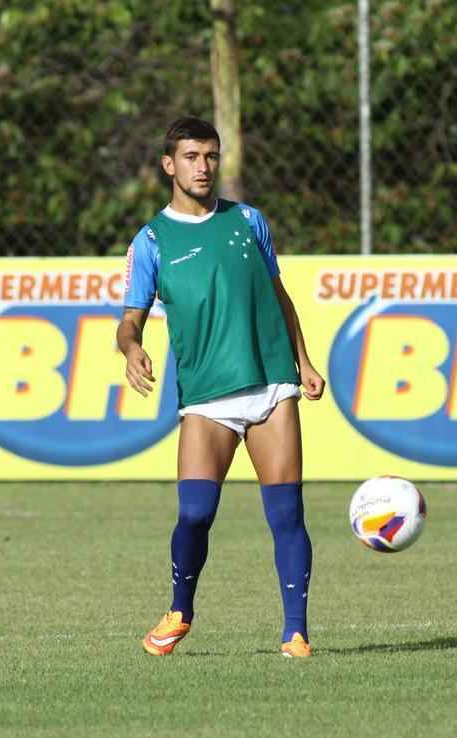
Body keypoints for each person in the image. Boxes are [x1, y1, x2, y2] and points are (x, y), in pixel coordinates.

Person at [117, 116, 325, 658]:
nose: (203, 167)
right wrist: (131, 348)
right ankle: (180, 610)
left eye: (210, 156)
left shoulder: (248, 221)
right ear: (169, 165)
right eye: (191, 157)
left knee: (286, 513)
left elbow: (280, 296)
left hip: (270, 382)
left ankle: (296, 632)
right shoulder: (151, 241)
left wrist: (301, 360)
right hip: (206, 396)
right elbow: (130, 319)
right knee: (195, 513)